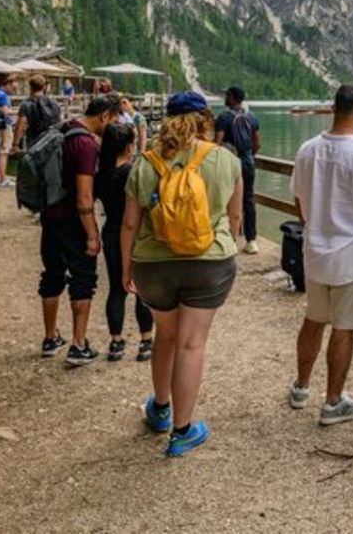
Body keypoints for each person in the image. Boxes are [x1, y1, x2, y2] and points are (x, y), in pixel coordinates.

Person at [120, 91, 242, 456]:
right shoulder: (225, 160)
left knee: (167, 336)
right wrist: (226, 248)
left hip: (154, 265)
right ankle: (183, 431)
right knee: (192, 344)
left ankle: (160, 409)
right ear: (206, 120)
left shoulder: (146, 162)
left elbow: (129, 224)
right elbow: (235, 216)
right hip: (209, 262)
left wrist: (126, 266)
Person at [287, 84, 353, 426]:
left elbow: (298, 200)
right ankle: (333, 402)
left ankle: (301, 387)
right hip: (351, 257)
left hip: (315, 254)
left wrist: (313, 228)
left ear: (333, 108)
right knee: (343, 329)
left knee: (313, 320)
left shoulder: (307, 150)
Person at [38, 94, 120, 366]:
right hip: (73, 220)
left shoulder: (63, 129)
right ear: (104, 115)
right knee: (83, 278)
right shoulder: (85, 144)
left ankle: (50, 337)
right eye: (113, 121)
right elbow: (84, 197)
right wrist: (92, 234)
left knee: (52, 274)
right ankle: (78, 344)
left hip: (50, 215)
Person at [95, 123, 153, 362]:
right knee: (142, 288)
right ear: (129, 146)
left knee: (116, 288)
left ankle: (116, 341)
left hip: (111, 230)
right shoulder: (132, 172)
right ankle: (146, 340)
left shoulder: (101, 174)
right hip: (135, 232)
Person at [214, 86, 260, 255]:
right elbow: (257, 143)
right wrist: (249, 156)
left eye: (227, 95)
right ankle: (251, 240)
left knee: (226, 198)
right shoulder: (252, 117)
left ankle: (230, 239)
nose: (225, 98)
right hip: (247, 163)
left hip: (229, 163)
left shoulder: (224, 118)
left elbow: (217, 145)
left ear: (233, 98)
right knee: (248, 199)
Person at [12, 74, 61, 151]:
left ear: (30, 87)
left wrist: (15, 144)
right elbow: (59, 122)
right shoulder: (54, 103)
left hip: (34, 142)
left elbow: (20, 126)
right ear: (44, 87)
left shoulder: (26, 104)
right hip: (51, 141)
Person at [0, 79, 16, 187]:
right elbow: (5, 112)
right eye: (13, 88)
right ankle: (2, 178)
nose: (13, 91)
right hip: (5, 126)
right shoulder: (3, 96)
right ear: (7, 85)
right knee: (4, 151)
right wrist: (18, 112)